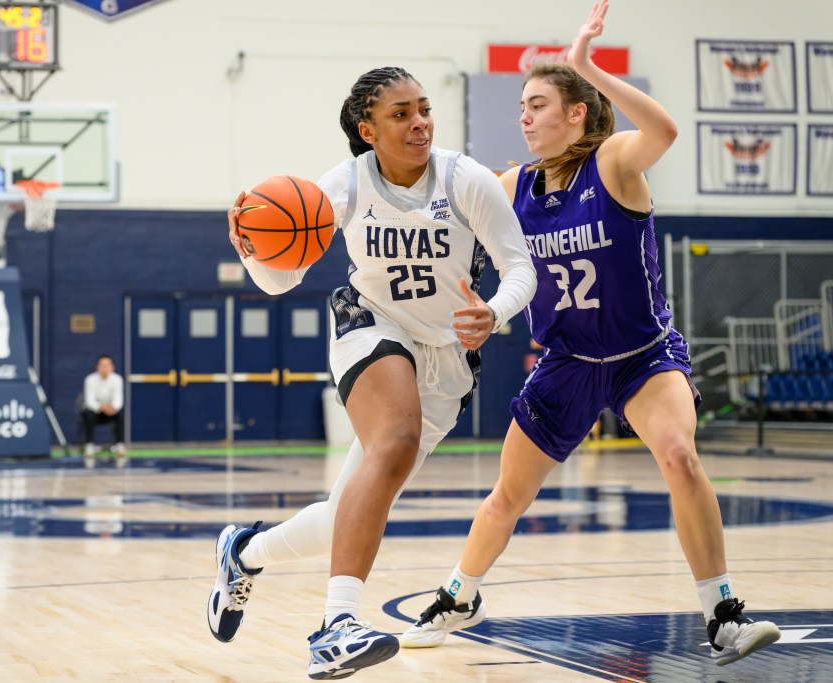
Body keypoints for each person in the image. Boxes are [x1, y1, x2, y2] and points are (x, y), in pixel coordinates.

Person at [400, 1, 781, 667]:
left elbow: (664, 128)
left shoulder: (614, 164)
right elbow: (439, 204)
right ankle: (461, 594)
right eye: (522, 103)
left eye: (539, 102)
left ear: (577, 111)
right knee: (507, 497)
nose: (525, 114)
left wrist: (586, 65)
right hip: (567, 360)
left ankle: (722, 613)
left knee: (680, 457)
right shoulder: (511, 187)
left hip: (642, 355)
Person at [208, 66, 537, 679]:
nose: (419, 123)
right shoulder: (344, 186)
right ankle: (337, 626)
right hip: (371, 322)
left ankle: (245, 552)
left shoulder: (465, 179)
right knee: (393, 442)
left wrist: (493, 313)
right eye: (400, 114)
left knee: (351, 509)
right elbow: (282, 281)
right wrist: (252, 249)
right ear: (368, 129)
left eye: (424, 110)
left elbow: (521, 269)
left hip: (448, 356)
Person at [81, 355, 127, 467]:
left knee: (120, 414)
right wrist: (101, 407)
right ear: (97, 367)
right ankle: (89, 446)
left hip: (111, 412)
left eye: (107, 365)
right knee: (88, 414)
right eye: (102, 365)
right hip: (96, 412)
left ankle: (120, 445)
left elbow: (118, 401)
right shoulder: (90, 380)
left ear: (112, 367)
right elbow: (89, 401)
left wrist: (112, 408)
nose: (105, 368)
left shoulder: (117, 379)